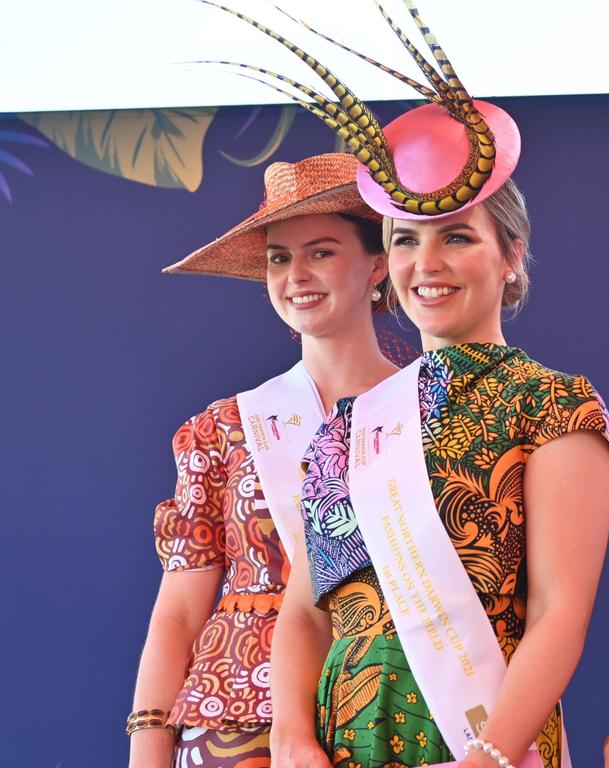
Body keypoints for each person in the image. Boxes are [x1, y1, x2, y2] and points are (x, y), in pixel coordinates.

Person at [203, 4, 609, 767]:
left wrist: (491, 754)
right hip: (342, 743)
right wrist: (294, 739)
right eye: (406, 241)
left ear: (510, 257)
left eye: (457, 237)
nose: (426, 263)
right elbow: (306, 607)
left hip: (484, 738)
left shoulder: (557, 405)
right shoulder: (347, 427)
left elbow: (560, 612)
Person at [128, 152, 407, 767]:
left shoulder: (434, 415)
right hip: (233, 718)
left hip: (391, 707)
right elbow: (178, 609)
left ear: (379, 263)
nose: (296, 274)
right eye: (280, 257)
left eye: (322, 251)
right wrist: (148, 741)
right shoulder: (223, 429)